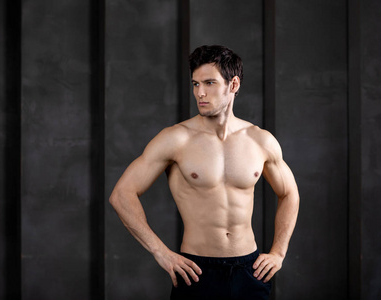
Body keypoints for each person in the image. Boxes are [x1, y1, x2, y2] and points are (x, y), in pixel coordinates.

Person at [109, 45, 300, 300]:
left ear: (233, 85)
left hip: (250, 271)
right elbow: (121, 194)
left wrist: (278, 252)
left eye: (209, 83)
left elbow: (289, 194)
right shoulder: (176, 139)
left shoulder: (260, 141)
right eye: (196, 84)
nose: (200, 92)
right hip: (197, 272)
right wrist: (161, 252)